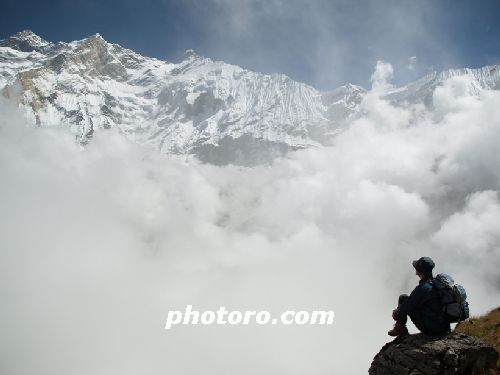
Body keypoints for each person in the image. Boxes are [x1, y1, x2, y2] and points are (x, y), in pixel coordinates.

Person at [388, 256, 451, 336]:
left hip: (433, 330)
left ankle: (400, 328)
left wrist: (396, 313)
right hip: (444, 328)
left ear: (420, 272)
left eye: (417, 269)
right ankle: (400, 327)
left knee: (403, 298)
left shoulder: (423, 288)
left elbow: (407, 306)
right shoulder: (437, 284)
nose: (415, 272)